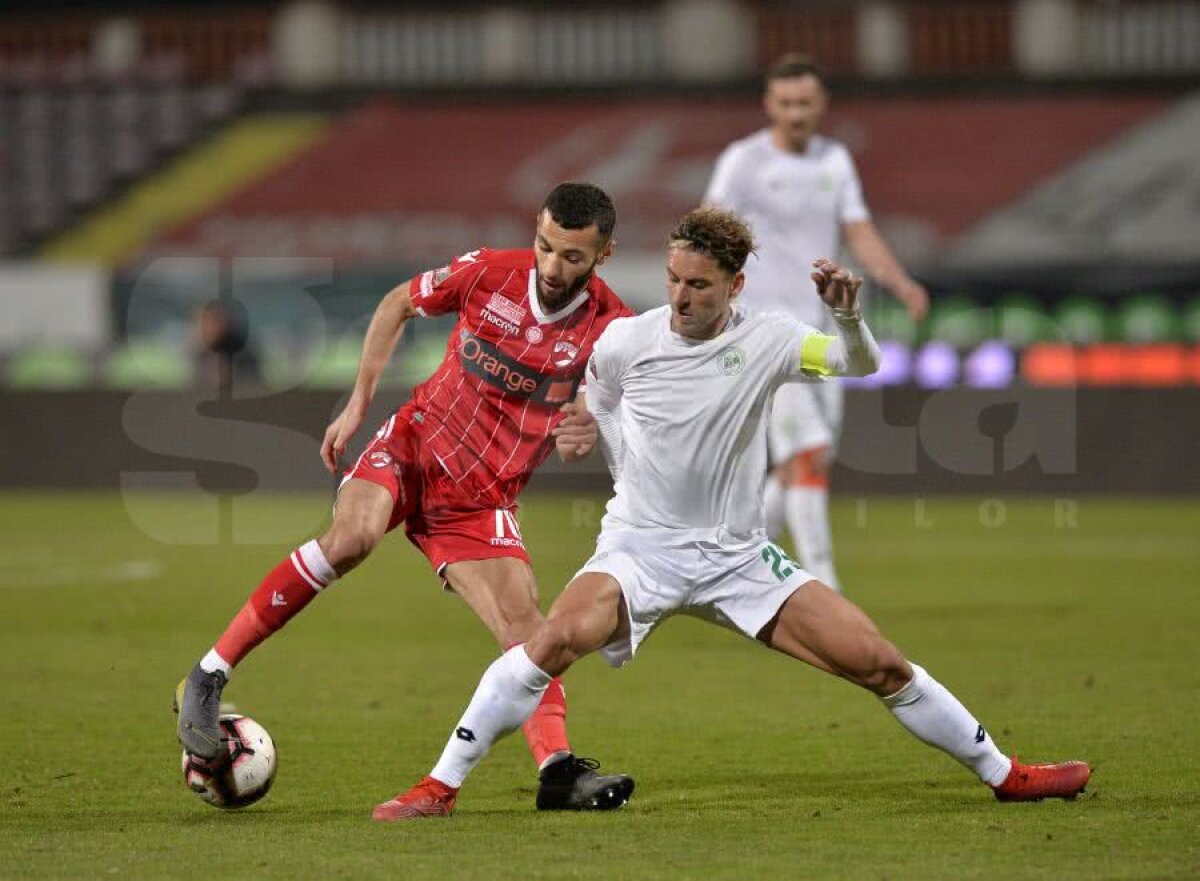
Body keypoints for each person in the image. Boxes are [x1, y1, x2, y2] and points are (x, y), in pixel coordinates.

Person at [372, 207, 1089, 820]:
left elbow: (858, 362)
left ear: (734, 286)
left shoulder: (769, 340)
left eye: (699, 285)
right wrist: (585, 420)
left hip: (738, 557)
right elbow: (594, 387)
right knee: (554, 638)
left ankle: (1007, 774)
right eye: (674, 280)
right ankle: (440, 786)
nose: (681, 298)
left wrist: (846, 313)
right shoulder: (629, 339)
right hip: (641, 548)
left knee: (879, 661)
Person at [174, 182, 635, 812]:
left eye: (572, 258)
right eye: (545, 247)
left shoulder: (615, 329)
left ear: (603, 255)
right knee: (351, 538)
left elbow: (608, 410)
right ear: (536, 229)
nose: (553, 268)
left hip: (480, 500)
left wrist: (587, 424)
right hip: (415, 447)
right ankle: (209, 675)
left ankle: (557, 771)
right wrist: (359, 402)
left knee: (530, 632)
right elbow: (397, 304)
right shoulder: (487, 273)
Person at [704, 52, 930, 593]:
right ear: (768, 104)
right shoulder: (743, 161)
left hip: (823, 330)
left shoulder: (834, 160)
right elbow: (708, 233)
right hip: (764, 333)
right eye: (786, 103)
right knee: (805, 454)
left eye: (805, 102)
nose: (796, 113)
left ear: (821, 104)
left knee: (810, 457)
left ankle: (730, 559)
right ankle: (823, 588)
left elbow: (859, 229)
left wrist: (899, 282)